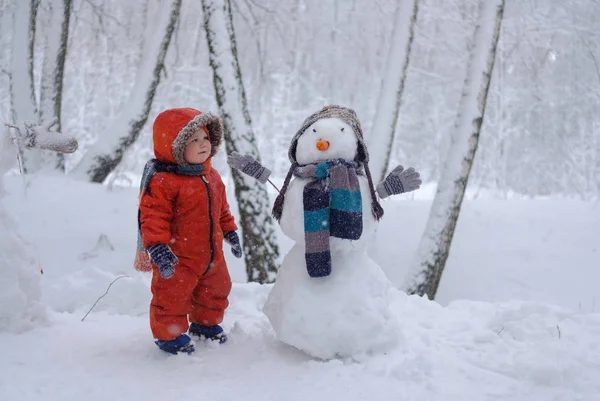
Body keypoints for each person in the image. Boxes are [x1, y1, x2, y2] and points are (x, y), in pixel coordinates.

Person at [136, 107, 242, 355]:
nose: (203, 144)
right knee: (171, 294)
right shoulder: (164, 181)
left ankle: (205, 325)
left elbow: (222, 209)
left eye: (205, 137)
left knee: (217, 289)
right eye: (193, 140)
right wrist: (158, 247)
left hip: (211, 254)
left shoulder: (212, 175)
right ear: (174, 146)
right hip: (177, 256)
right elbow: (152, 217)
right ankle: (169, 335)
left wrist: (230, 231)